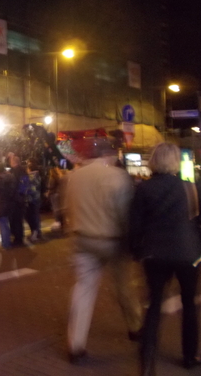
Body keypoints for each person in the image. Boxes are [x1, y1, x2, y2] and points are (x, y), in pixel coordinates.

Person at [130, 143, 201, 374]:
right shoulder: (191, 188)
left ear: (154, 161)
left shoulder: (144, 189)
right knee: (189, 305)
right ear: (176, 162)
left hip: (155, 254)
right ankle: (190, 356)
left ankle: (147, 363)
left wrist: (136, 251)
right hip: (188, 254)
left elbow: (135, 226)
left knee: (154, 305)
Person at [65, 142, 142, 364]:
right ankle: (135, 327)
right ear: (108, 156)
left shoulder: (75, 177)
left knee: (83, 289)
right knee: (123, 286)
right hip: (112, 240)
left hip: (82, 239)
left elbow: (67, 207)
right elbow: (124, 212)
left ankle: (76, 345)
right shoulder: (118, 177)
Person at [0, 163, 15, 249]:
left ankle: (6, 244)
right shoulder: (11, 177)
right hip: (9, 203)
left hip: (1, 203)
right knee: (6, 224)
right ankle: (7, 242)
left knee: (3, 224)